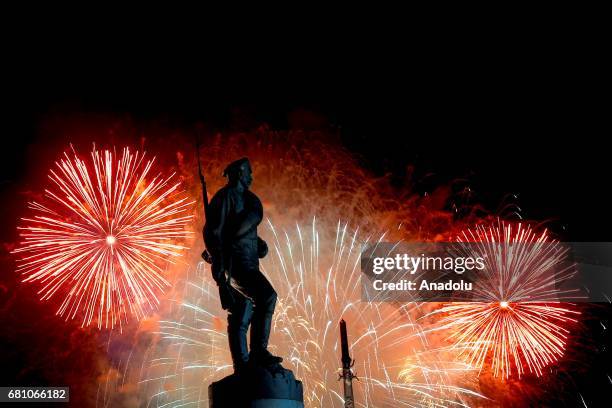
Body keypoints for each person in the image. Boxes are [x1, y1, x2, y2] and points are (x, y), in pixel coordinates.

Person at [203, 157, 283, 373]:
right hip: (235, 262)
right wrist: (217, 259)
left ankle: (245, 362)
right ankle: (257, 352)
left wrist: (258, 244)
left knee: (243, 309)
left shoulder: (245, 200)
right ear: (239, 173)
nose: (251, 176)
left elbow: (240, 229)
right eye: (248, 172)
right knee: (266, 296)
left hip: (247, 261)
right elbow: (213, 231)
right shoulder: (226, 197)